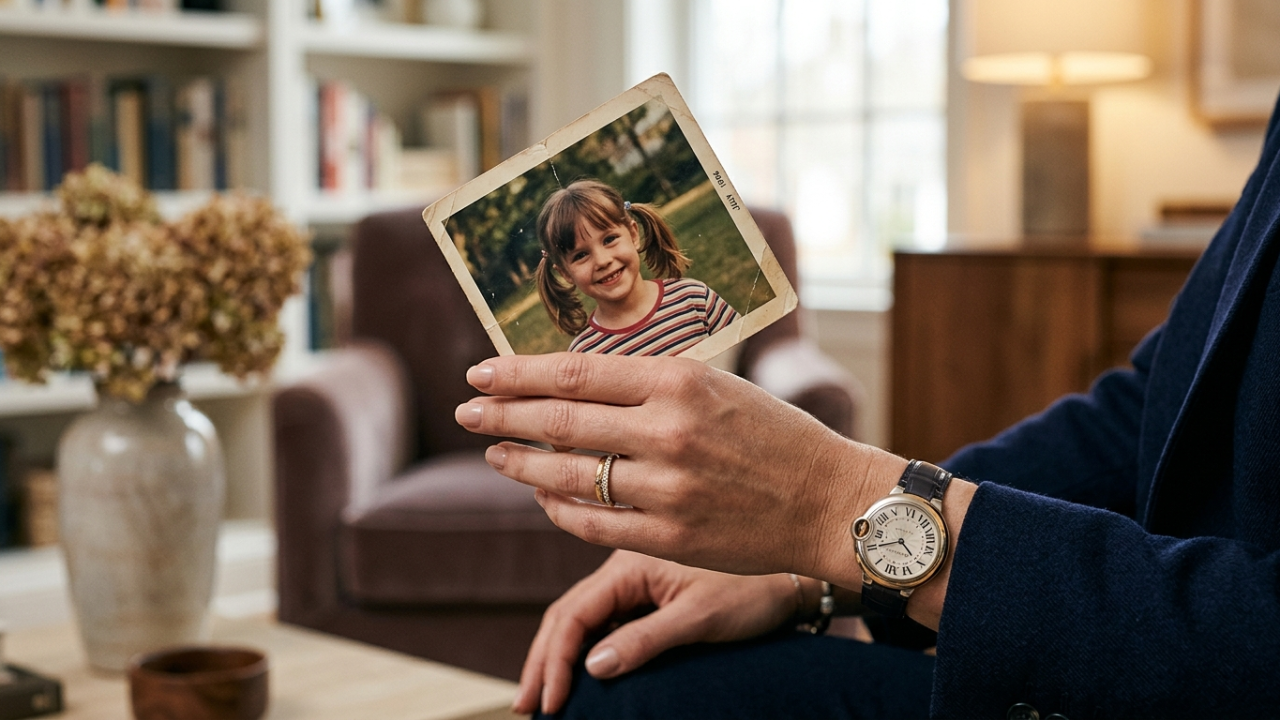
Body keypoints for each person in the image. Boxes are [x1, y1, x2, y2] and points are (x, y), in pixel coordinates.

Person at [453, 96, 1280, 718]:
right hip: (1127, 627)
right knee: (620, 662)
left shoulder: (695, 295)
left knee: (622, 699)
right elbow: (1148, 417)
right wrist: (808, 575)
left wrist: (842, 511)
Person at [535, 179, 739, 356]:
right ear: (565, 273)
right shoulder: (585, 355)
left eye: (610, 239)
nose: (602, 260)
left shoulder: (694, 299)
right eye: (580, 255)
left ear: (633, 235)